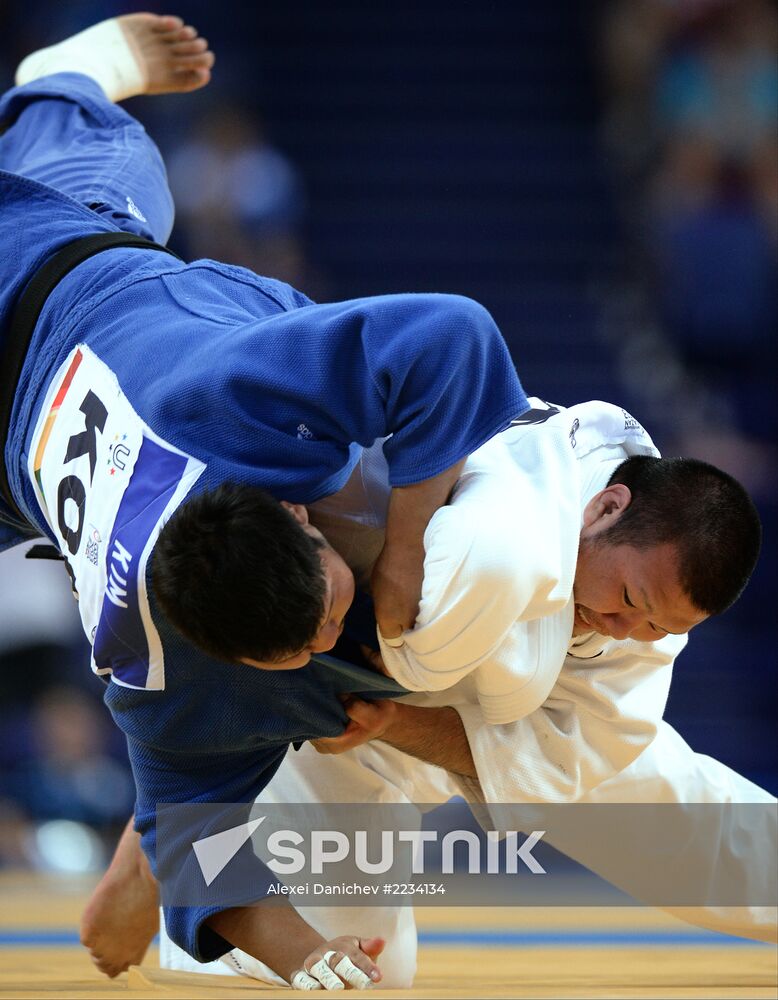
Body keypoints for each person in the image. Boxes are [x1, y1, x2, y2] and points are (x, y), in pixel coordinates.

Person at [0, 13, 530, 990]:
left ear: (290, 519)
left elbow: (451, 335)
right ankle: (60, 86)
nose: (341, 627)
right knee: (79, 148)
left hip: (48, 334)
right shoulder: (154, 650)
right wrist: (305, 952)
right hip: (40, 344)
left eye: (324, 611)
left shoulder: (234, 412)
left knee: (95, 154)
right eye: (329, 621)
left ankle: (65, 82)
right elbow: (191, 831)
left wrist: (406, 549)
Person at [83, 401, 772, 986]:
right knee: (361, 964)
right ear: (605, 506)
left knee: (660, 799)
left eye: (659, 627)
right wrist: (401, 562)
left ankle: (182, 804)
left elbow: (571, 769)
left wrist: (390, 720)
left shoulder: (648, 605)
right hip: (321, 705)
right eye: (628, 601)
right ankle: (178, 812)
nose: (627, 629)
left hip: (407, 722)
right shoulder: (507, 513)